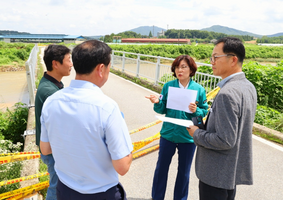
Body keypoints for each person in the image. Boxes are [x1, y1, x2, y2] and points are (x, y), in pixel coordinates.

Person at [40, 40, 133, 200]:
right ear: (101, 68)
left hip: (65, 190)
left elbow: (45, 149)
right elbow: (122, 166)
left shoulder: (52, 101)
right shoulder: (107, 108)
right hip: (101, 194)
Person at [187, 37, 257, 200]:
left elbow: (225, 140)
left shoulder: (227, 93)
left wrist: (196, 133)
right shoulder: (248, 86)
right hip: (230, 173)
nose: (212, 62)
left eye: (215, 57)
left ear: (233, 59)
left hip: (215, 174)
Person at [146, 55, 208, 200]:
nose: (180, 70)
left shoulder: (199, 89)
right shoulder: (168, 86)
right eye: (177, 67)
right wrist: (156, 102)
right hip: (168, 135)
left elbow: (204, 111)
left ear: (191, 69)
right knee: (161, 169)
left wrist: (196, 110)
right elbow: (161, 109)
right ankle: (157, 197)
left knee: (184, 173)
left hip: (188, 137)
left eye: (184, 66)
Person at [35, 44, 72, 200]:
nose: (71, 64)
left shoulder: (52, 84)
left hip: (50, 147)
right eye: (69, 60)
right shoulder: (50, 91)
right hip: (52, 149)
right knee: (56, 187)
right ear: (56, 64)